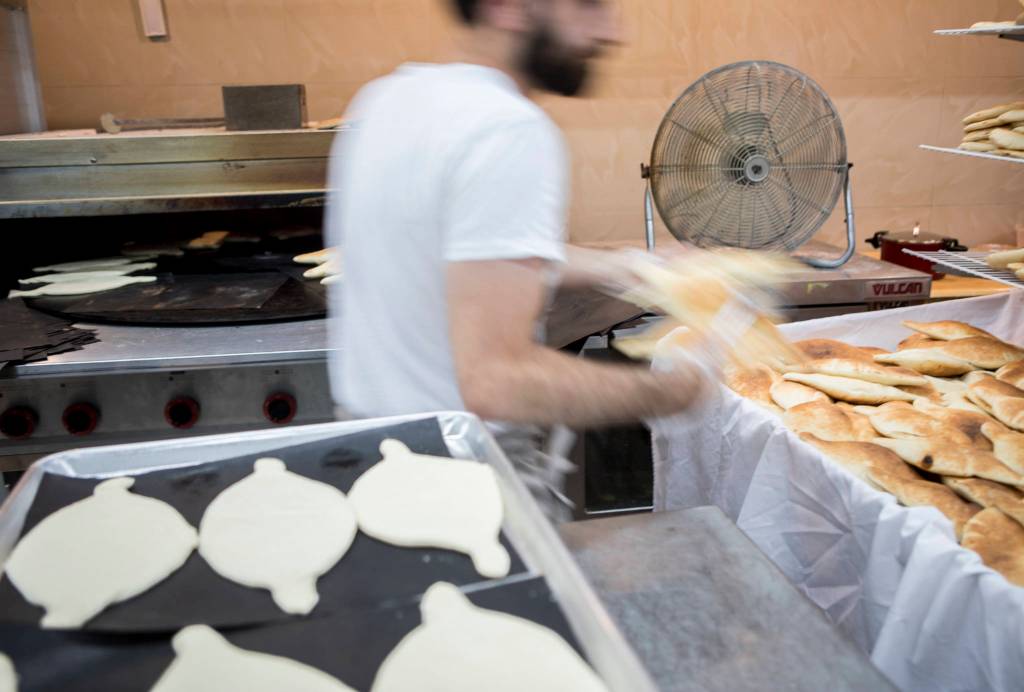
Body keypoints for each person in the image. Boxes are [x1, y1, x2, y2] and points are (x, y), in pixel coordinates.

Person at [325, 0, 719, 521]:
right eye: (588, 4)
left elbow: (470, 256)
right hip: (463, 485)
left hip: (374, 465)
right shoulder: (507, 128)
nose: (613, 32)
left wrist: (633, 266)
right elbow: (497, 381)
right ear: (505, 7)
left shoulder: (387, 99)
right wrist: (678, 389)